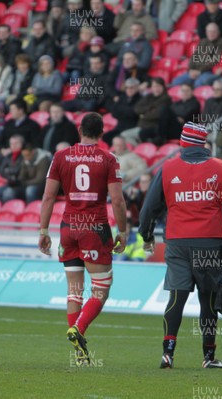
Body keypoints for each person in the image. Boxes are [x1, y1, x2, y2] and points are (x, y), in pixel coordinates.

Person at [138, 121, 222, 370]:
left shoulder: (167, 168)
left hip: (177, 243)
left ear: (183, 143)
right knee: (208, 302)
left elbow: (149, 209)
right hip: (210, 244)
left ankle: (168, 354)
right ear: (203, 144)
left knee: (176, 299)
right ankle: (208, 358)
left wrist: (147, 236)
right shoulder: (220, 169)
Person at [38, 112, 127, 366]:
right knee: (101, 288)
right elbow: (118, 200)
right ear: (101, 133)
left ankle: (78, 351)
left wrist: (43, 231)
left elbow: (48, 197)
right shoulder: (109, 159)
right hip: (95, 228)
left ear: (79, 131)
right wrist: (122, 230)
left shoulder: (60, 157)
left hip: (68, 226)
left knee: (74, 290)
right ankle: (79, 329)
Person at [171, 23, 222, 88]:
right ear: (206, 32)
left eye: (214, 31)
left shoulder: (221, 42)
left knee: (198, 84)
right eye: (209, 31)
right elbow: (194, 56)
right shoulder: (203, 41)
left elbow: (214, 60)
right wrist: (190, 70)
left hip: (208, 71)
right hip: (195, 70)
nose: (211, 34)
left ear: (218, 32)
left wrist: (199, 71)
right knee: (176, 82)